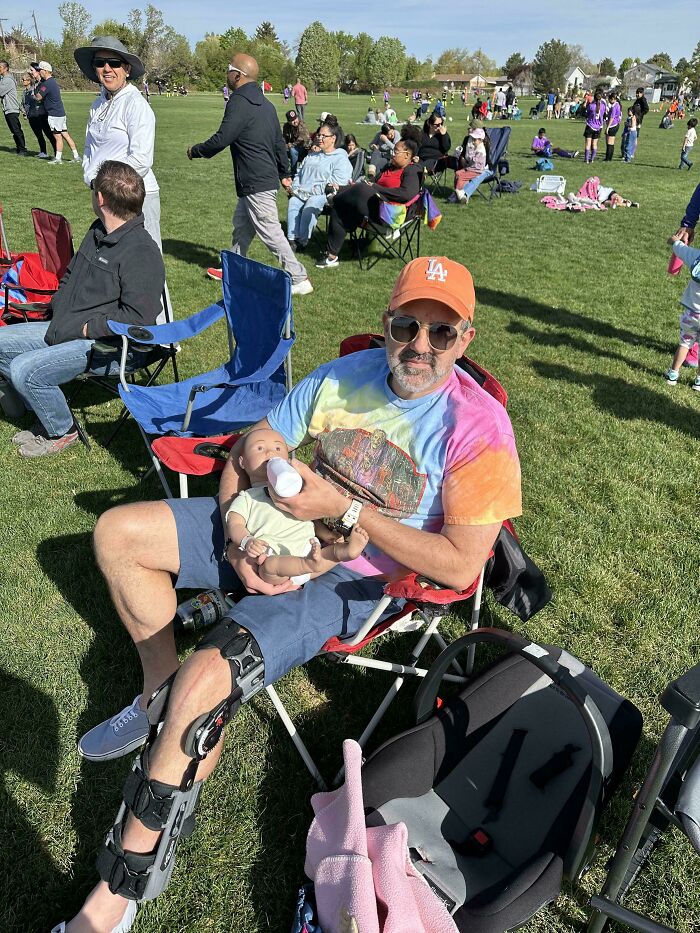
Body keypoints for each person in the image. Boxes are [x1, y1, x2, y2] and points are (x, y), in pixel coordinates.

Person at [58, 254, 521, 933]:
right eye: (406, 325)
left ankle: (115, 896)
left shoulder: (479, 428)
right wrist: (237, 535)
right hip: (268, 522)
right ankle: (154, 695)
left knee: (205, 681)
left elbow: (459, 566)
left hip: (357, 577)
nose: (419, 345)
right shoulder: (342, 375)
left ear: (465, 338)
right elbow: (251, 446)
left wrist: (350, 512)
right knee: (118, 534)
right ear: (386, 324)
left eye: (441, 331)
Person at [0, 161, 164, 457]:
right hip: (68, 325)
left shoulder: (142, 252)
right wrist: (58, 305)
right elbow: (70, 276)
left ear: (100, 198)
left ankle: (62, 430)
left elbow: (140, 318)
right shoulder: (98, 231)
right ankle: (40, 407)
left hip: (108, 345)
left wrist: (89, 328)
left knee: (24, 369)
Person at [187, 53, 312, 297]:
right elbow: (279, 143)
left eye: (228, 69)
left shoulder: (238, 102)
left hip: (256, 180)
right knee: (242, 227)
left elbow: (222, 138)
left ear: (238, 75)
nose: (226, 73)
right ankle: (233, 268)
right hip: (259, 179)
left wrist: (196, 150)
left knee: (269, 230)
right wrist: (284, 172)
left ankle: (299, 278)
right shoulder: (267, 105)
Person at [229, 427, 369, 585]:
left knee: (332, 552)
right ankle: (309, 563)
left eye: (278, 448)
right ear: (242, 462)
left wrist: (325, 534)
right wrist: (247, 541)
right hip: (275, 558)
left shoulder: (296, 491)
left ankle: (348, 551)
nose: (270, 452)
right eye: (260, 448)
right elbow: (234, 524)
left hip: (308, 549)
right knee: (268, 566)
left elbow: (310, 518)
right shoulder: (247, 497)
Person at [74, 36, 162, 251]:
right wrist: (92, 181)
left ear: (127, 69)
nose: (107, 69)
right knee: (112, 258)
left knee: (145, 258)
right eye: (99, 63)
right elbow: (90, 150)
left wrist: (106, 185)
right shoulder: (97, 104)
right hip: (102, 195)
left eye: (114, 63)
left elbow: (141, 159)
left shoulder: (136, 104)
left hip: (134, 197)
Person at [316, 138, 421, 269]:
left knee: (361, 189)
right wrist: (343, 187)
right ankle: (331, 256)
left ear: (407, 155)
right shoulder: (388, 167)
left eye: (396, 151)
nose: (392, 154)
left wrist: (376, 188)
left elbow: (405, 194)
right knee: (340, 207)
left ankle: (335, 197)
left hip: (390, 214)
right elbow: (370, 184)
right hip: (371, 207)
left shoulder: (412, 171)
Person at [285, 121, 351, 250]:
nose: (319, 138)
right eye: (319, 135)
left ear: (333, 138)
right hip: (302, 192)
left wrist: (308, 191)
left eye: (323, 136)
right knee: (294, 202)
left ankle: (302, 241)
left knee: (312, 202)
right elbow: (299, 173)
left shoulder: (341, 159)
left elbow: (335, 184)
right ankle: (292, 239)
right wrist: (295, 188)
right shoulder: (312, 156)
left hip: (326, 195)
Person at [663, 235, 700, 389]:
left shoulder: (696, 256)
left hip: (691, 314)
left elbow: (680, 249)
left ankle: (673, 374)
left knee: (685, 344)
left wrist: (674, 240)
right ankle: (699, 381)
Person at [33, 61, 80, 164]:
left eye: (40, 70)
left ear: (45, 71)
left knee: (57, 136)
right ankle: (76, 156)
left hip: (54, 114)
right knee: (65, 135)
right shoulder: (52, 82)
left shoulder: (46, 84)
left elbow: (38, 97)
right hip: (60, 113)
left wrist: (33, 94)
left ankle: (58, 159)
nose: (39, 72)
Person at [452, 127, 490, 204]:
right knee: (457, 173)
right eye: (472, 139)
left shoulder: (481, 150)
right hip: (470, 168)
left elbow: (473, 160)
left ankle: (460, 195)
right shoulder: (476, 146)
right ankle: (457, 193)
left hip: (476, 170)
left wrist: (467, 157)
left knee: (461, 177)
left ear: (480, 140)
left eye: (474, 140)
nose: (472, 141)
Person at [20, 70, 53, 158]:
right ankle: (43, 151)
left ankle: (56, 152)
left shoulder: (33, 89)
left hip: (38, 114)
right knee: (38, 135)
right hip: (31, 115)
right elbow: (23, 103)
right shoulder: (24, 92)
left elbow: (38, 100)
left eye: (24, 80)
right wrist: (24, 112)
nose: (23, 81)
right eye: (22, 80)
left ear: (29, 81)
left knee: (48, 134)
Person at [0, 60, 28, 156]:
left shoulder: (7, 80)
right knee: (14, 130)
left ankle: (22, 149)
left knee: (16, 130)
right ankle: (19, 148)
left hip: (12, 108)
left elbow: (0, 92)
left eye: (0, 67)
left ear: (6, 68)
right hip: (8, 108)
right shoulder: (4, 78)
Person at [282, 108, 310, 175]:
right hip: (291, 148)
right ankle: (282, 171)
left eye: (295, 118)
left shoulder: (302, 125)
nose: (295, 121)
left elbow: (301, 140)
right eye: (292, 120)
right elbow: (284, 138)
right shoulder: (286, 126)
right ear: (288, 121)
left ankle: (293, 172)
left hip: (304, 148)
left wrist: (290, 145)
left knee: (292, 150)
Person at [583, 88, 607, 163]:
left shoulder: (591, 106)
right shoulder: (603, 106)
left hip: (590, 126)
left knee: (588, 144)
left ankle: (586, 159)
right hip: (598, 127)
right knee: (595, 144)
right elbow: (604, 115)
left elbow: (587, 114)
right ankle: (592, 159)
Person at [604, 91, 622, 161]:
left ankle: (608, 158)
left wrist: (607, 127)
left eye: (609, 99)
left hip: (612, 125)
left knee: (609, 143)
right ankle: (610, 158)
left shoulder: (614, 107)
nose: (608, 101)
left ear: (612, 99)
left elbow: (612, 117)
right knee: (612, 142)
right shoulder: (618, 104)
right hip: (616, 124)